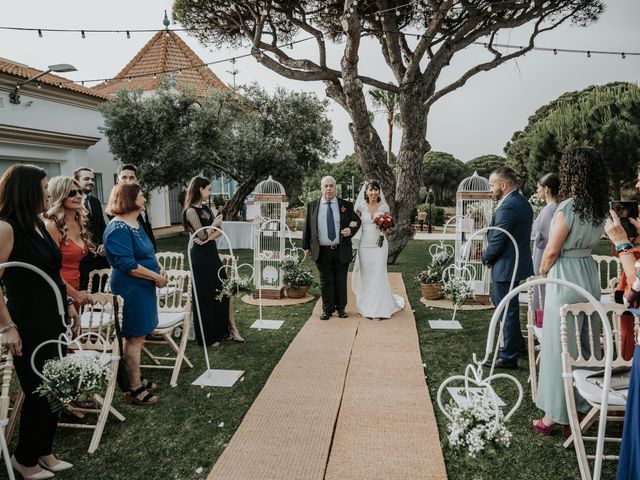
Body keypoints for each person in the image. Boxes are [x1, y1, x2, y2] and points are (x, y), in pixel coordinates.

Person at [0, 164, 75, 479]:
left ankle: (45, 451)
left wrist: (68, 301)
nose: (48, 194)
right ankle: (25, 458)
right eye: (44, 189)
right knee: (39, 390)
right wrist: (7, 326)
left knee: (56, 387)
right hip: (27, 320)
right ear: (27, 191)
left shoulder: (41, 224)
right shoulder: (6, 228)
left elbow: (53, 272)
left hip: (53, 317)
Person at [534, 146, 609, 435]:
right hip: (589, 275)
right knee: (586, 344)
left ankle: (555, 415)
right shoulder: (599, 207)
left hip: (565, 276)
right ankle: (581, 407)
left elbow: (552, 251)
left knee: (559, 346)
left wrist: (542, 272)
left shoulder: (567, 207)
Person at [103, 182, 167, 406]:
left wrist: (159, 269)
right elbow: (128, 264)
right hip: (130, 287)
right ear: (129, 199)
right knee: (134, 336)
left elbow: (147, 253)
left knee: (140, 335)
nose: (143, 197)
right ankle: (133, 387)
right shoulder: (117, 228)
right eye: (140, 194)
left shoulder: (136, 222)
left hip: (144, 286)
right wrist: (156, 277)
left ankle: (136, 376)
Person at [481, 166, 534, 369]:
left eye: (492, 185)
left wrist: (486, 257)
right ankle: (518, 345)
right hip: (514, 263)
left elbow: (498, 238)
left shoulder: (508, 206)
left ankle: (508, 356)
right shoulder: (520, 201)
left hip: (506, 265)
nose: (491, 189)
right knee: (508, 307)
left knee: (505, 309)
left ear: (503, 185)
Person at [183, 176, 243, 345]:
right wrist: (213, 227)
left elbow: (216, 233)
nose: (210, 192)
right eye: (208, 189)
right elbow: (201, 234)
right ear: (200, 189)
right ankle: (208, 336)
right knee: (205, 295)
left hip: (211, 253)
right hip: (200, 258)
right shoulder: (190, 211)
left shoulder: (207, 209)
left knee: (225, 288)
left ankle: (230, 327)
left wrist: (208, 236)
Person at [303, 176, 361, 321]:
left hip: (341, 249)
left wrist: (350, 230)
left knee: (340, 280)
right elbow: (307, 227)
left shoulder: (345, 205)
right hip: (321, 250)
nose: (328, 189)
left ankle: (341, 309)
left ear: (336, 188)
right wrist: (305, 246)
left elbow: (357, 221)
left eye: (331, 186)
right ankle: (327, 310)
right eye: (326, 186)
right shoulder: (312, 205)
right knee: (325, 281)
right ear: (321, 188)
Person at [351, 180, 405, 319]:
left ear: (379, 192)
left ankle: (380, 307)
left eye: (376, 189)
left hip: (380, 246)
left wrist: (384, 229)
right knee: (367, 275)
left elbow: (388, 226)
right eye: (371, 190)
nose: (374, 192)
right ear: (366, 192)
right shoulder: (360, 208)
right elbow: (354, 224)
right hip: (365, 245)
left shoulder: (383, 207)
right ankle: (366, 305)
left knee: (379, 274)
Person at [44, 176, 94, 313]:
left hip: (75, 287)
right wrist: (71, 296)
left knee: (75, 333)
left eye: (79, 192)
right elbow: (49, 269)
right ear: (59, 196)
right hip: (58, 291)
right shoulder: (52, 225)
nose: (78, 196)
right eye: (72, 193)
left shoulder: (78, 222)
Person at [74, 167, 110, 292]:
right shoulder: (72, 203)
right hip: (84, 258)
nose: (91, 182)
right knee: (85, 292)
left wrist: (104, 244)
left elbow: (102, 226)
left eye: (93, 179)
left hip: (101, 257)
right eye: (86, 179)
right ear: (76, 181)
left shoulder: (95, 202)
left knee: (100, 291)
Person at [531, 173, 560, 312]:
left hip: (544, 258)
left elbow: (551, 239)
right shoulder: (551, 208)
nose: (537, 191)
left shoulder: (551, 210)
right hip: (540, 256)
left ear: (546, 189)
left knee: (542, 296)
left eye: (539, 187)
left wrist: (544, 266)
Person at [116, 164, 157, 251]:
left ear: (136, 180)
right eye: (124, 177)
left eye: (131, 178)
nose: (128, 181)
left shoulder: (140, 200)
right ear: (118, 180)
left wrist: (153, 248)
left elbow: (147, 227)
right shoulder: (116, 205)